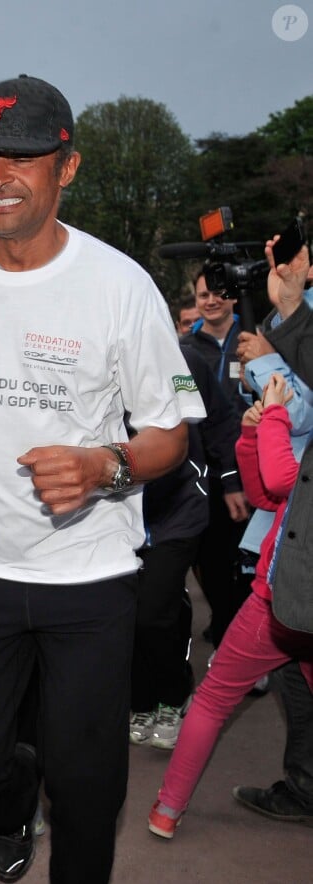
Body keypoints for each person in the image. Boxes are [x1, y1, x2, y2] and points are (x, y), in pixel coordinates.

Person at [0, 74, 205, 884]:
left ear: (67, 167)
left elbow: (169, 434)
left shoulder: (120, 285)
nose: (0, 174)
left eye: (24, 157)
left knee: (89, 789)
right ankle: (12, 789)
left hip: (90, 579)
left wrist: (105, 464)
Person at [148, 372, 313, 839]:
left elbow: (283, 478)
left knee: (214, 698)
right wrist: (249, 435)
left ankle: (167, 808)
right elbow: (268, 494)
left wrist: (276, 416)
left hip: (280, 605)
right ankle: (167, 808)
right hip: (282, 599)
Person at [232, 236, 313, 824]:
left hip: (299, 514)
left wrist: (270, 348)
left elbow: (303, 410)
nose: (290, 267)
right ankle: (304, 785)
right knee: (293, 671)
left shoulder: (292, 318)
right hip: (289, 527)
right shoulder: (289, 314)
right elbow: (258, 394)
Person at [130, 343, 240, 749]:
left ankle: (174, 696)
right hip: (119, 513)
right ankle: (140, 700)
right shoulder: (96, 359)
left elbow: (220, 423)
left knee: (152, 612)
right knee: (129, 614)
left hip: (180, 508)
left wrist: (229, 482)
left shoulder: (186, 361)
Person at [181, 271, 251, 648]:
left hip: (259, 464)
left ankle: (248, 637)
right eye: (203, 294)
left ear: (234, 298)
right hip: (210, 472)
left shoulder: (256, 338)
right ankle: (228, 630)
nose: (210, 301)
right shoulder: (187, 350)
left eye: (219, 293)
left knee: (251, 559)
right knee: (213, 560)